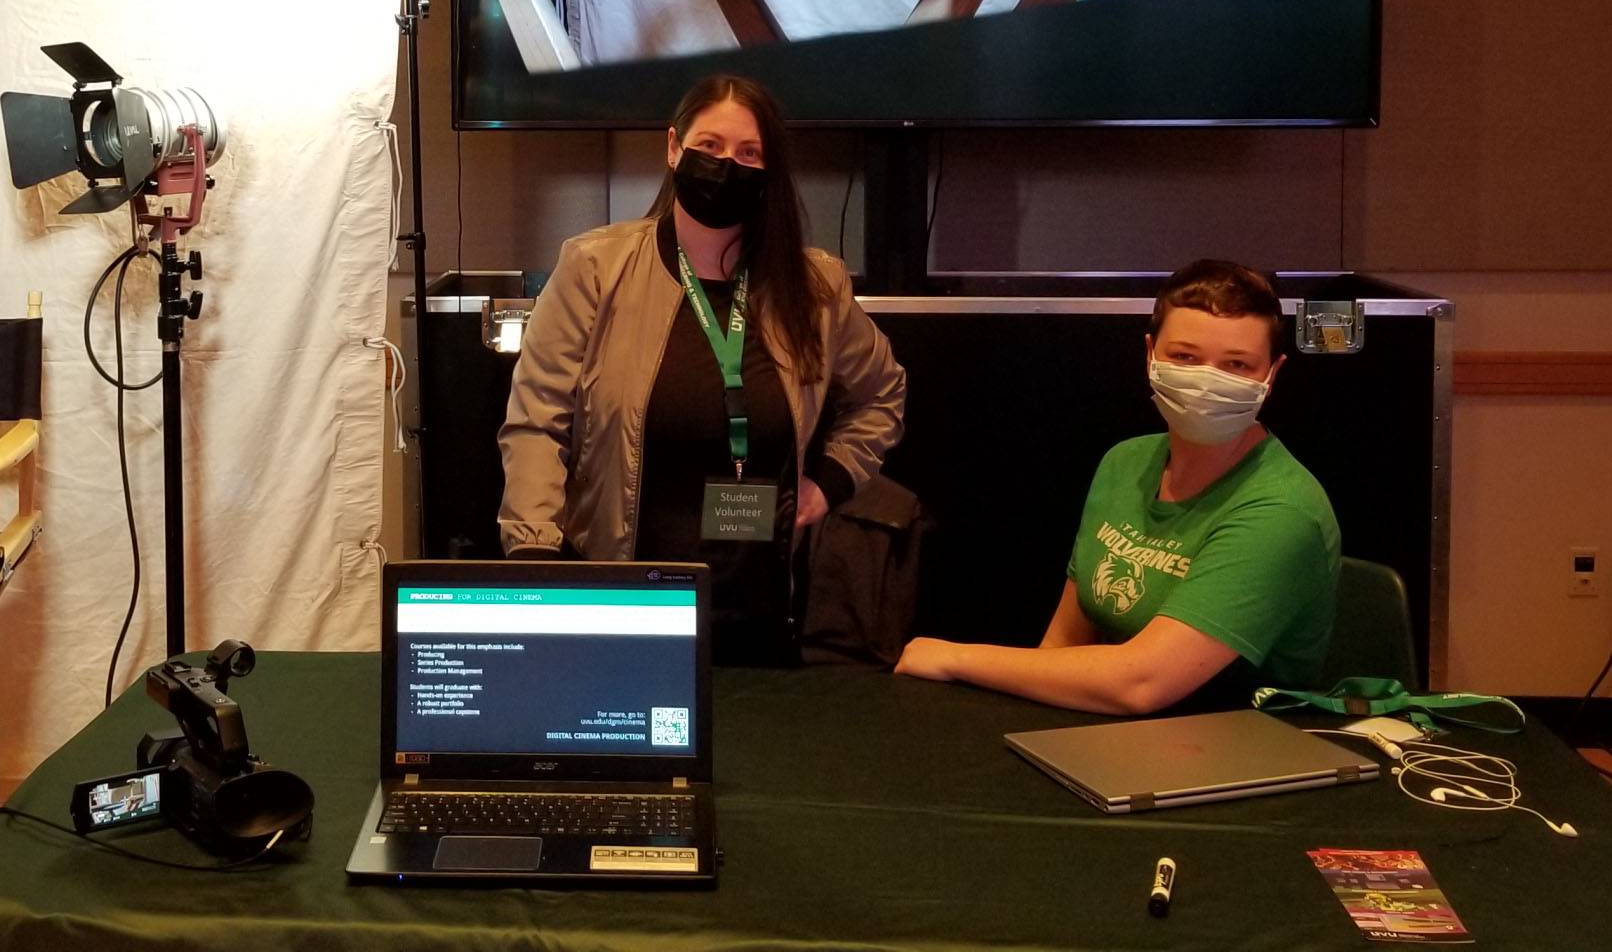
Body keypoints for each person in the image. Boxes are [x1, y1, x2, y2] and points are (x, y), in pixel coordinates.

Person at [498, 75, 906, 662]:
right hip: (622, 613)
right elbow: (536, 424)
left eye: (748, 154)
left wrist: (828, 483)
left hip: (760, 618)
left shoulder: (815, 287)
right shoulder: (595, 267)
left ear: (770, 171)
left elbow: (883, 394)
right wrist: (533, 557)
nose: (725, 166)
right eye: (709, 147)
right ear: (673, 148)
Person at [895, 260, 1340, 713]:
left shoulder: (1282, 509)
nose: (1208, 380)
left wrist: (954, 657)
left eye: (1237, 365)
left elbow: (1142, 683)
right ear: (1150, 354)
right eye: (1185, 357)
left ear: (1271, 375)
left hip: (1237, 753)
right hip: (1115, 739)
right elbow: (1062, 645)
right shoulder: (1125, 463)